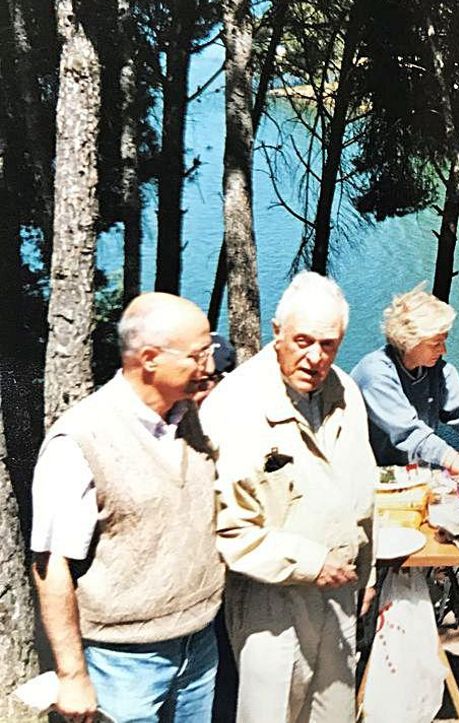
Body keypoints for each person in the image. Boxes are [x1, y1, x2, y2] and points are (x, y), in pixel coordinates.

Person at [30, 292, 225, 723]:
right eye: (198, 355)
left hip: (199, 645)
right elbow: (50, 563)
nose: (209, 366)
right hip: (122, 663)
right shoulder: (80, 442)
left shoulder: (188, 417)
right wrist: (72, 674)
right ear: (150, 359)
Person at [200, 272, 377, 723]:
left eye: (328, 344)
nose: (315, 357)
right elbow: (227, 528)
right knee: (272, 712)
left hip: (340, 589)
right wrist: (308, 562)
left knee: (334, 711)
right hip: (269, 597)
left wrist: (368, 571)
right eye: (302, 340)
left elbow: (363, 492)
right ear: (276, 333)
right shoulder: (235, 404)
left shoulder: (346, 393)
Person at [351, 284, 459, 501]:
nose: (443, 350)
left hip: (411, 478)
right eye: (436, 343)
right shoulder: (375, 374)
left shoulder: (436, 371)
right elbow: (410, 433)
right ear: (409, 341)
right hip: (370, 483)